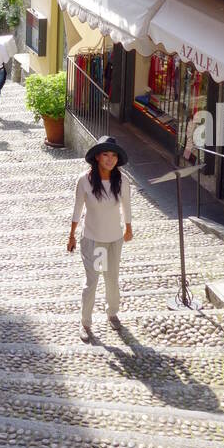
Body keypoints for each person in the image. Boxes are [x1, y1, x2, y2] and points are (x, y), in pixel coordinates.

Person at [67, 136, 133, 344]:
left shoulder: (122, 180)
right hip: (95, 240)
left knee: (112, 278)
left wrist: (129, 227)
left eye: (114, 155)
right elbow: (77, 209)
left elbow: (126, 205)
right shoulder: (84, 181)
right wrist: (71, 235)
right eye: (106, 154)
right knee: (93, 281)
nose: (110, 159)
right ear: (97, 157)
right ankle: (85, 322)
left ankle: (112, 312)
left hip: (114, 239)